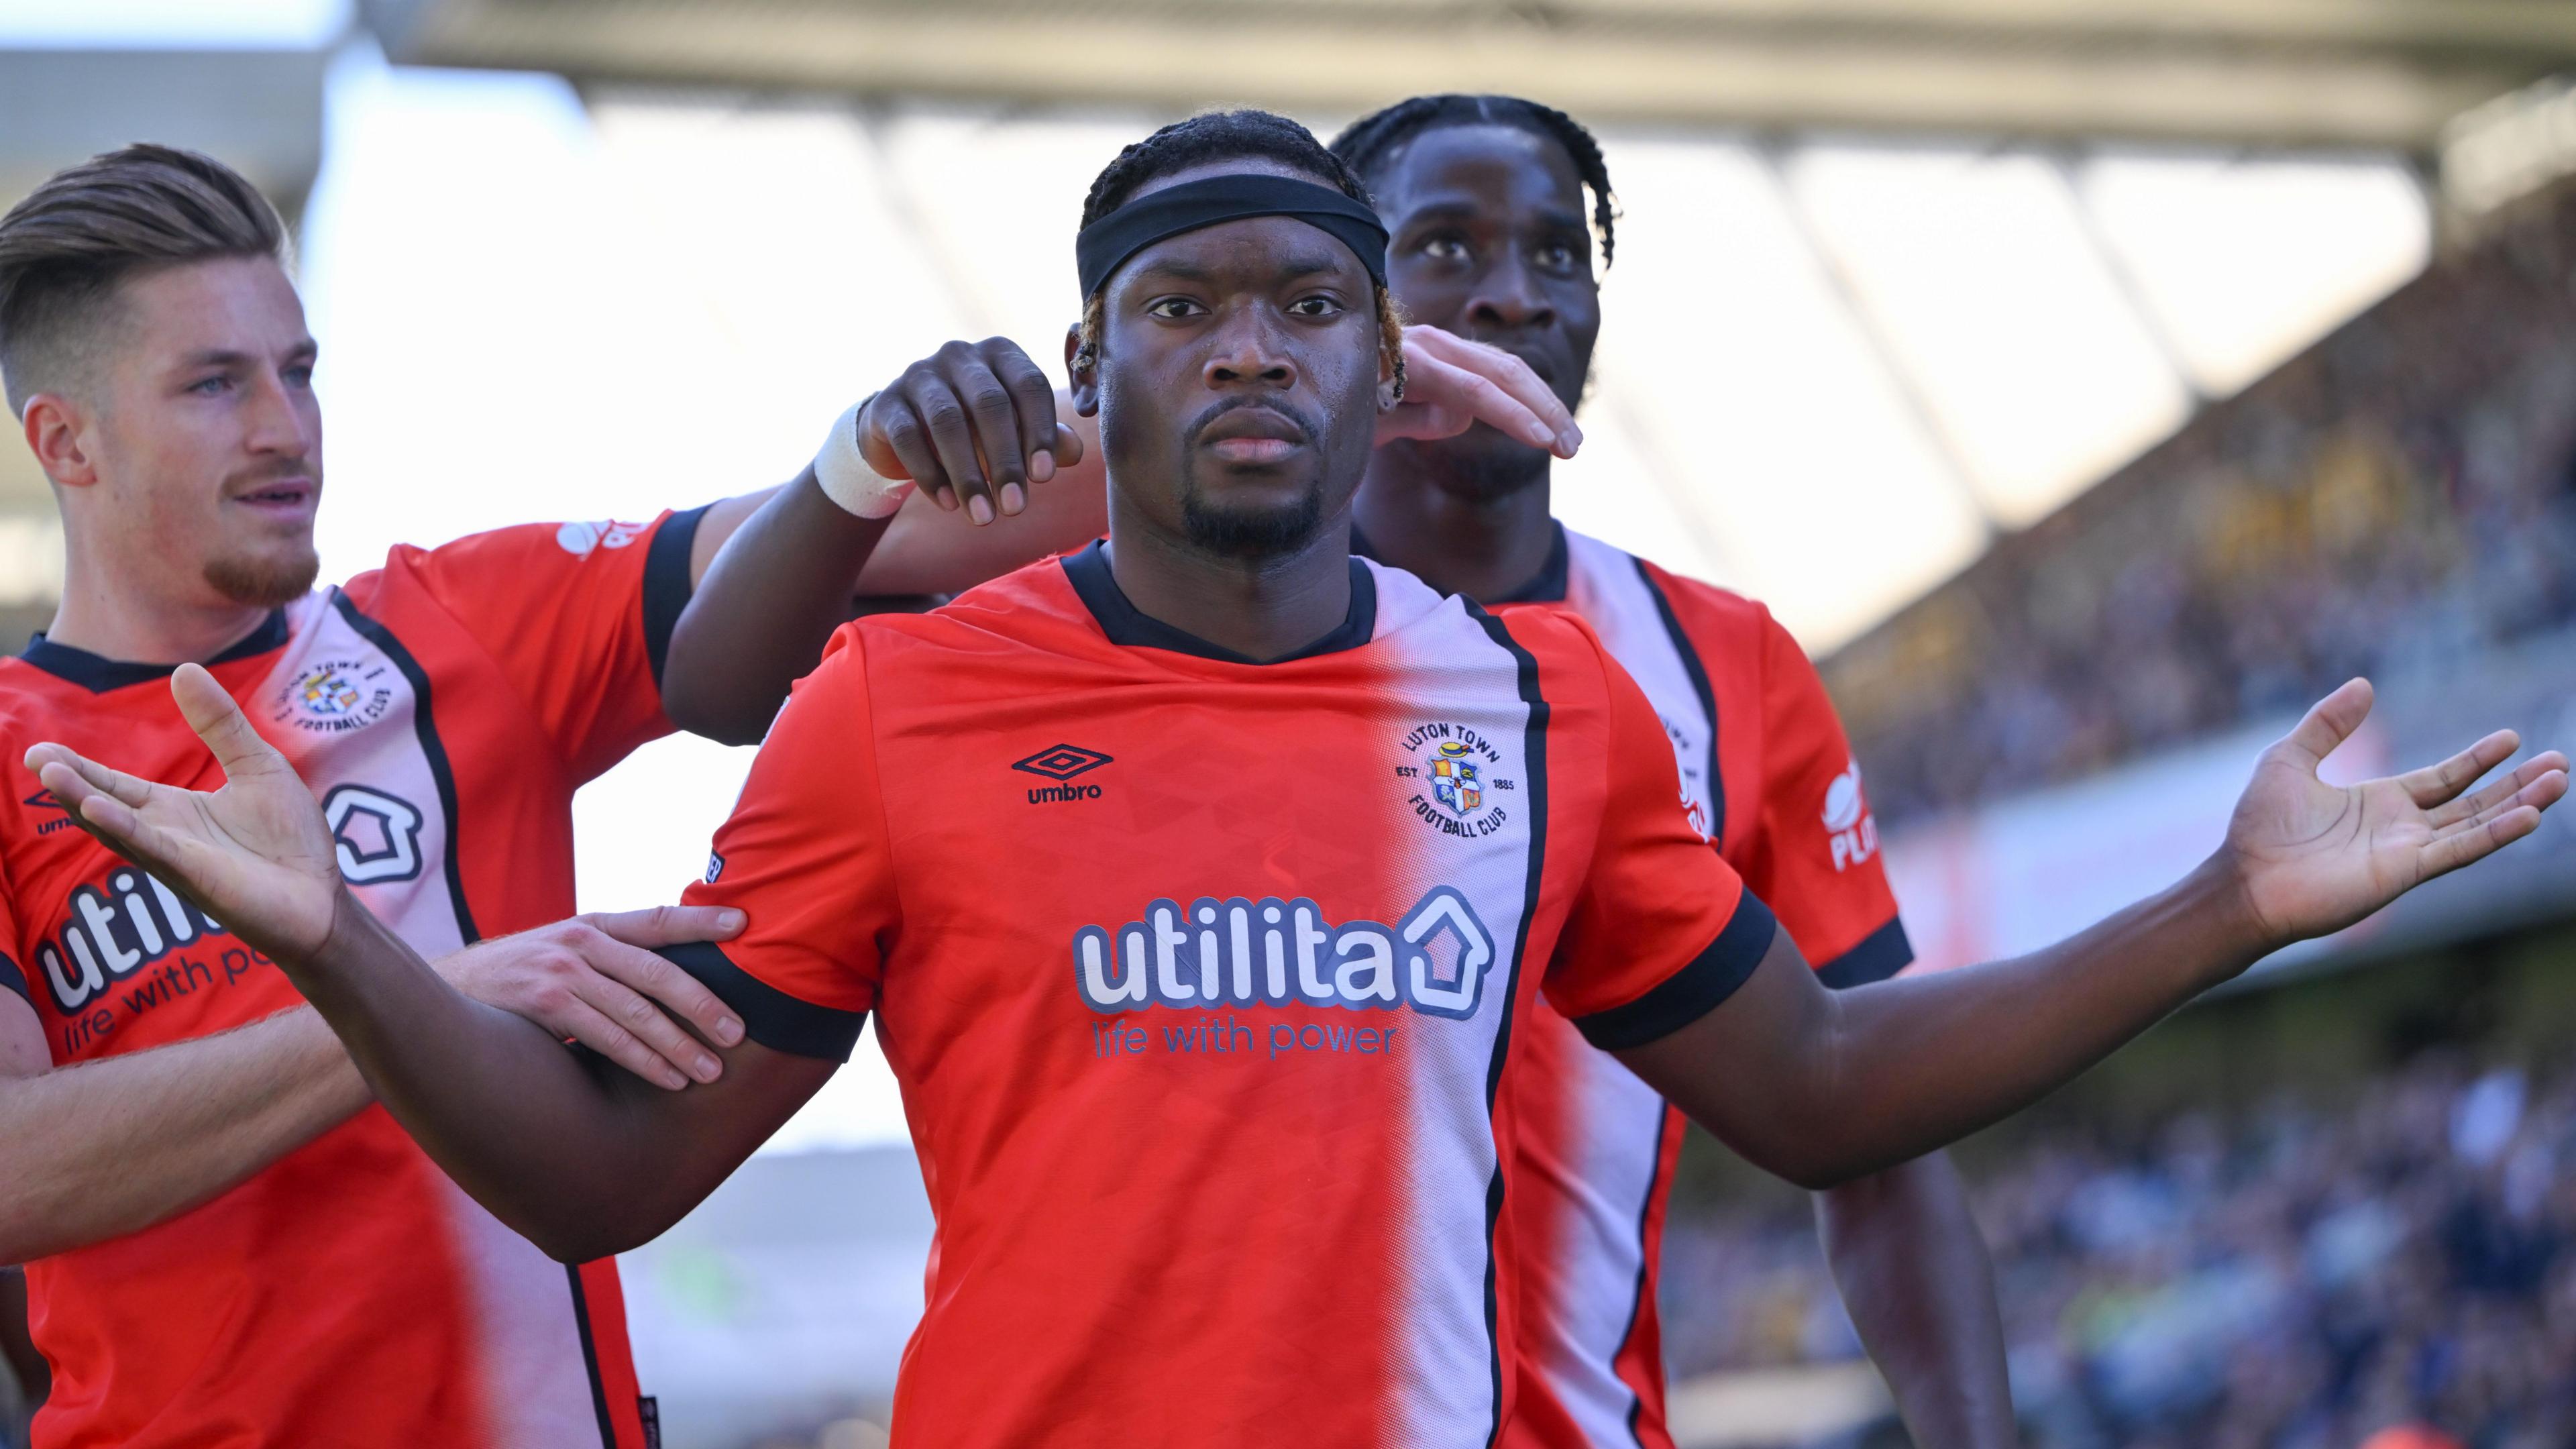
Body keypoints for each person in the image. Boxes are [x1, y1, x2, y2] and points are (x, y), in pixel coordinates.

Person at [28, 111, 2563, 1449]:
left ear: (1384, 383)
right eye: (1181, 311)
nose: (1249, 351)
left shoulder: (1542, 710)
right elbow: (600, 1165)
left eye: (1311, 312)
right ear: (1095, 375)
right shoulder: (903, 712)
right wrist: (348, 944)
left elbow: (1821, 1088)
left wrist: (2223, 910)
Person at [0, 142, 1035, 1448]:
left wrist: (1310, 396)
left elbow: (914, 517)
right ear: (65, 443)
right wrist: (428, 998)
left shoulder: (452, 626)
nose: (285, 426)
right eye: (215, 384)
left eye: (300, 370)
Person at [1326, 95, 2012, 1446]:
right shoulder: (1184, 635)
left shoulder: (1723, 665)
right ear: (1343, 302)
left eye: (1557, 255)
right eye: (1447, 249)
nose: (1514, 296)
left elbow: (1873, 1137)